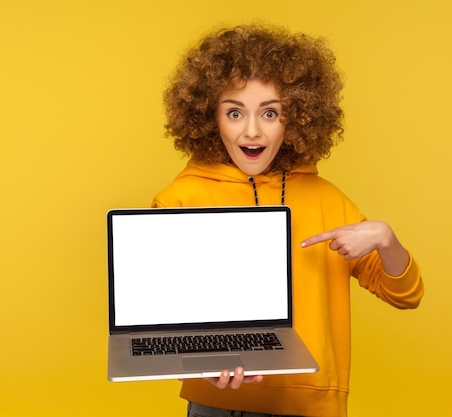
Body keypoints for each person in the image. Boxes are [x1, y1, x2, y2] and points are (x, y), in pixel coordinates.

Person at [151, 24, 424, 417]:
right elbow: (163, 317)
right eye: (234, 112)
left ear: (297, 119)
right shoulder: (181, 198)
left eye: (270, 113)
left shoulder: (328, 199)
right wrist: (199, 363)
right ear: (209, 117)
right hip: (216, 405)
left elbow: (406, 295)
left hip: (310, 403)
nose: (251, 130)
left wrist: (385, 238)